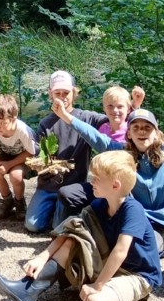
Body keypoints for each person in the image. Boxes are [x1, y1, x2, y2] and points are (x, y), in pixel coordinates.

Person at [0, 151, 162, 301]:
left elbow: (120, 251)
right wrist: (42, 256)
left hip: (136, 274)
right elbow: (71, 228)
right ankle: (28, 290)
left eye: (97, 178)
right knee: (73, 238)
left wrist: (97, 286)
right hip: (110, 266)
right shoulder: (100, 204)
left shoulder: (133, 210)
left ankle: (130, 296)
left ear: (115, 185)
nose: (92, 181)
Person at [52, 101, 164, 255]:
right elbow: (95, 137)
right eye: (135, 128)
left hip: (159, 223)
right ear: (129, 133)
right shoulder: (124, 152)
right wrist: (65, 116)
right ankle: (63, 236)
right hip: (133, 217)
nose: (141, 132)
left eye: (147, 128)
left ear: (157, 133)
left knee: (137, 250)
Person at [24, 70, 107, 233]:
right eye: (57, 93)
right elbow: (42, 156)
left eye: (66, 93)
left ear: (74, 93)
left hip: (72, 188)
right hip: (48, 186)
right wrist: (40, 165)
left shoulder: (87, 118)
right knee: (32, 225)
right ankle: (53, 210)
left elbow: (114, 119)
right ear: (50, 94)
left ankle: (64, 213)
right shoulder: (45, 123)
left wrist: (134, 106)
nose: (62, 97)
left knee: (58, 228)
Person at [57, 85, 144, 218]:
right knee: (66, 193)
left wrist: (136, 106)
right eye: (110, 106)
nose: (115, 110)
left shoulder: (131, 131)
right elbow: (90, 133)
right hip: (103, 182)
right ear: (104, 108)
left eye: (120, 107)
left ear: (128, 109)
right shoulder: (103, 127)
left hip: (123, 187)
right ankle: (69, 225)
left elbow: (140, 126)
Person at [0, 95, 36, 221]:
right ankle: (7, 201)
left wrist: (9, 165)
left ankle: (20, 202)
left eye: (2, 123)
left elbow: (30, 153)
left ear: (13, 119)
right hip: (5, 154)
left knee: (15, 175)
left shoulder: (23, 131)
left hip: (24, 156)